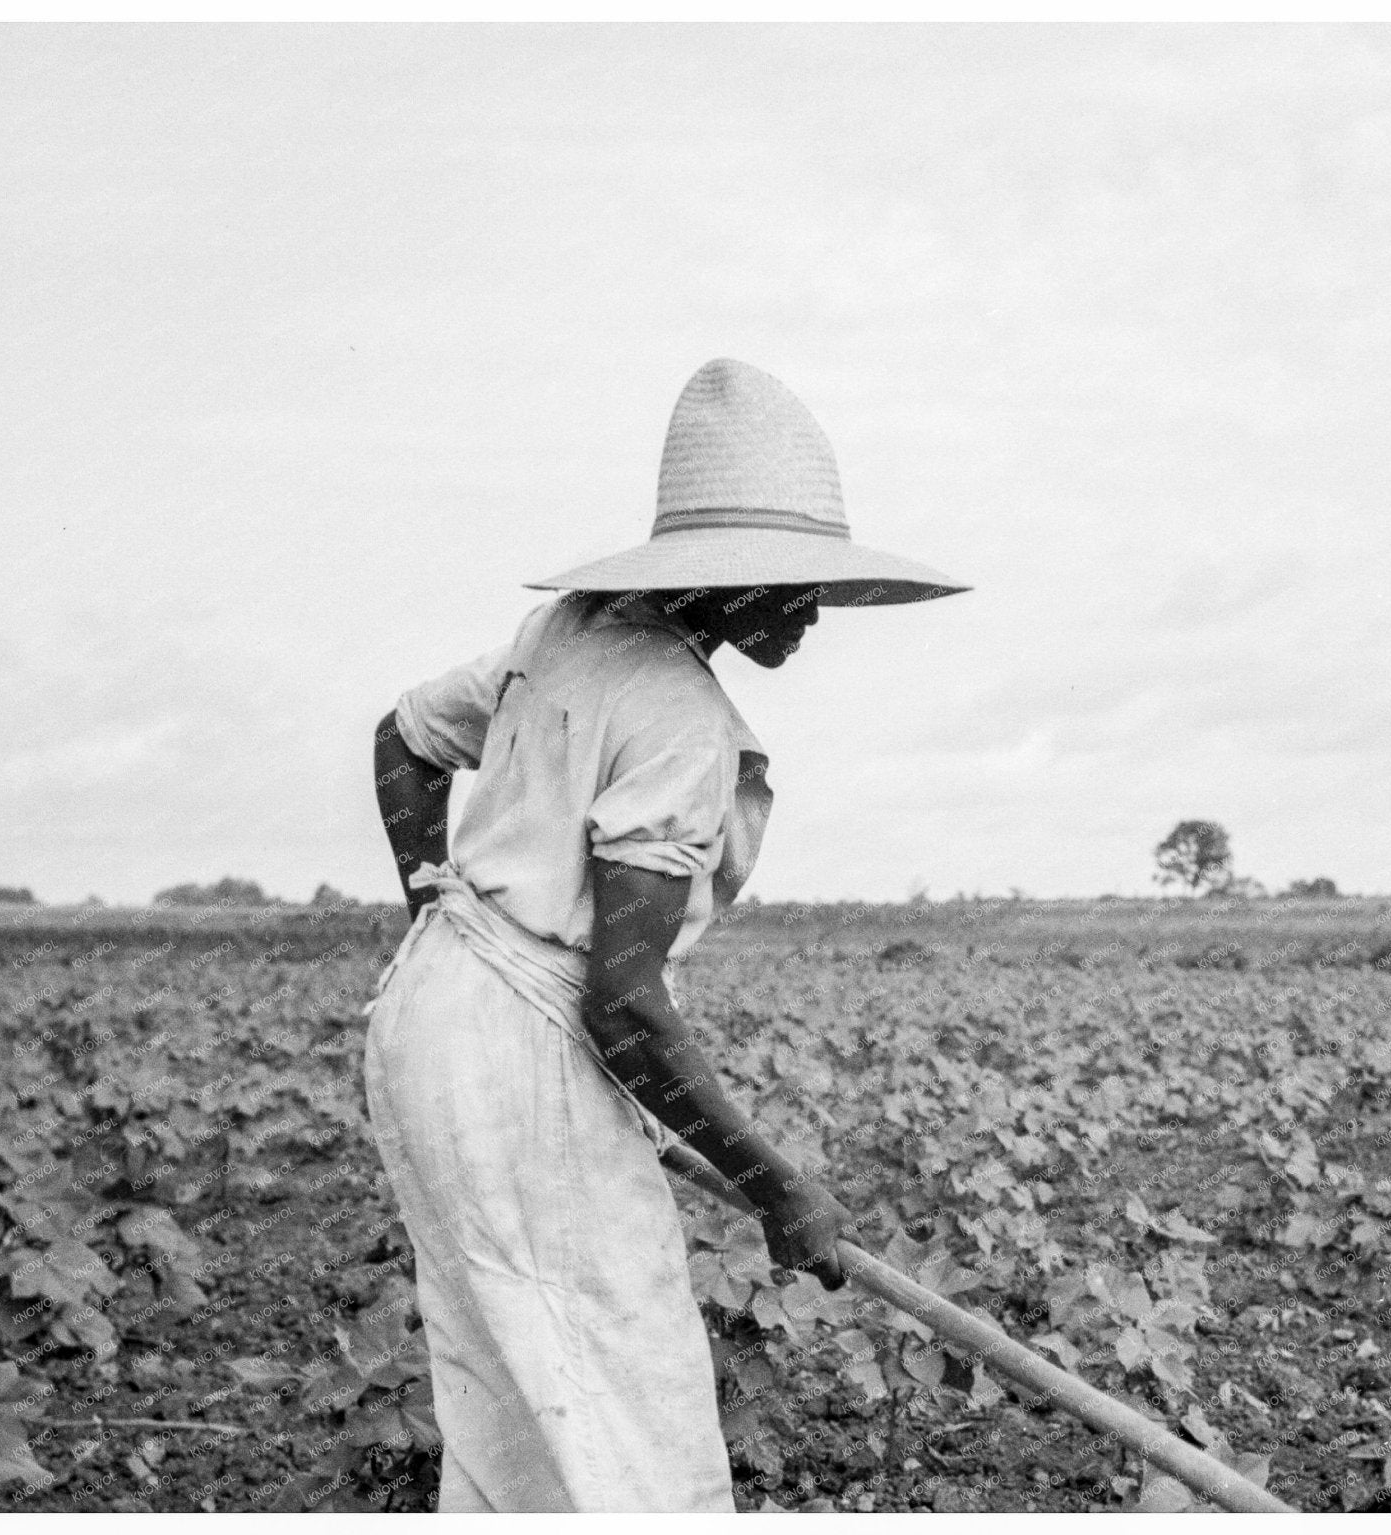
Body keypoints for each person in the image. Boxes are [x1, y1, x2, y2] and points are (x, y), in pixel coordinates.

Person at [365, 359, 968, 1511]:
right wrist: (779, 1184)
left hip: (433, 1023)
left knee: (517, 1394)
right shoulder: (682, 719)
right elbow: (624, 1003)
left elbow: (399, 739)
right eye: (785, 584)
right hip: (515, 1057)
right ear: (718, 581)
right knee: (625, 1404)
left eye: (815, 586)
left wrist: (444, 917)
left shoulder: (565, 635)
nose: (807, 611)